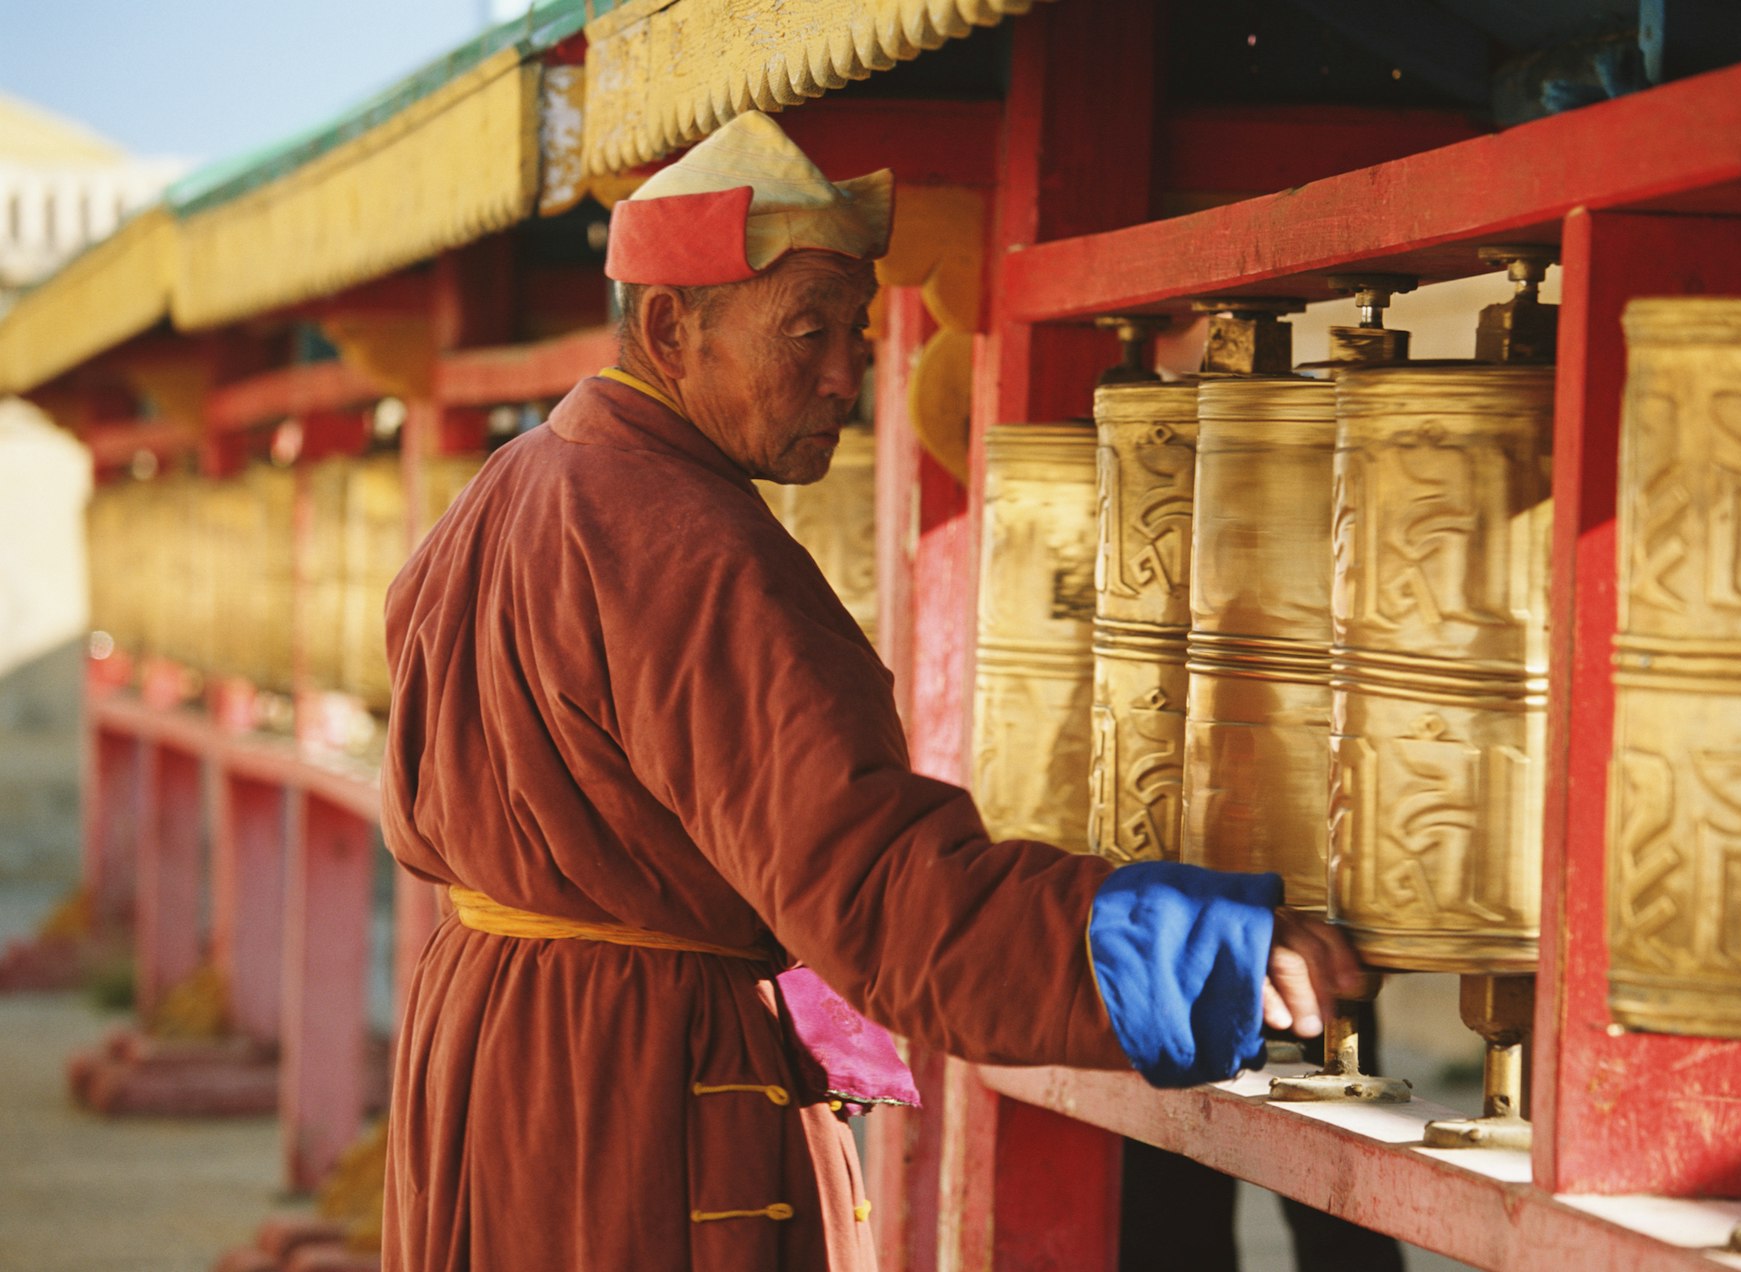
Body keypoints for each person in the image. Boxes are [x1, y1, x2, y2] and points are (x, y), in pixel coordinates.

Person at [379, 110, 1362, 1272]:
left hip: (488, 1058)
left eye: (856, 330)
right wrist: (1205, 951)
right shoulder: (691, 549)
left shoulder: (509, 488)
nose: (847, 373)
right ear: (668, 328)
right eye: (807, 333)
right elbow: (888, 901)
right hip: (637, 1098)